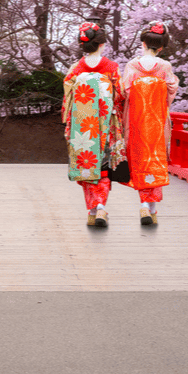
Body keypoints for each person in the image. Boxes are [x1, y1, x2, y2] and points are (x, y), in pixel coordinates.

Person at [62, 21, 126, 227]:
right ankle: (100, 208)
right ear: (102, 44)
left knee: (86, 165)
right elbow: (120, 95)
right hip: (105, 124)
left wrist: (69, 121)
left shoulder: (75, 70)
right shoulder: (112, 68)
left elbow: (67, 99)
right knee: (103, 165)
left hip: (82, 126)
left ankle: (92, 210)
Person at [121, 21, 179, 226]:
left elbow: (125, 91)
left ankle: (145, 204)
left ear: (143, 43)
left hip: (136, 120)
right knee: (156, 157)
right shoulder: (165, 67)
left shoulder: (132, 66)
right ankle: (150, 207)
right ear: (161, 47)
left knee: (140, 158)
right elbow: (171, 90)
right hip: (157, 120)